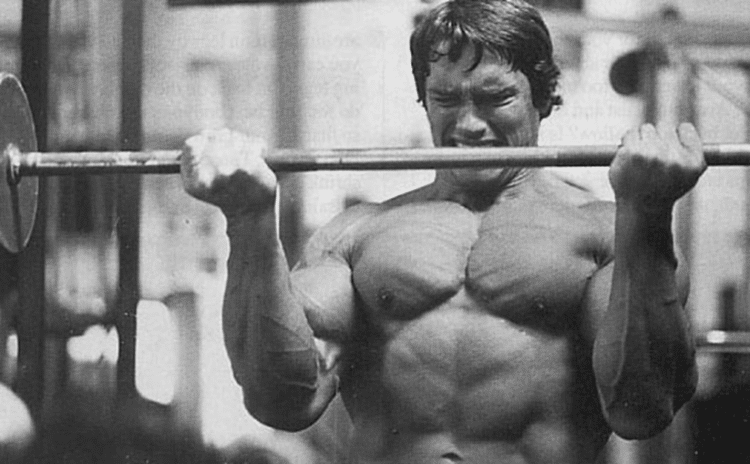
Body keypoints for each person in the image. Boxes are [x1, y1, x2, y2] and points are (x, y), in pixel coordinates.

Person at [180, 0, 704, 462]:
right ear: (424, 100)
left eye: (495, 98)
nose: (469, 125)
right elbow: (283, 401)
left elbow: (640, 410)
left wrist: (648, 214)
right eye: (447, 100)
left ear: (543, 97)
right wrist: (248, 221)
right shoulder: (357, 236)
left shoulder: (606, 234)